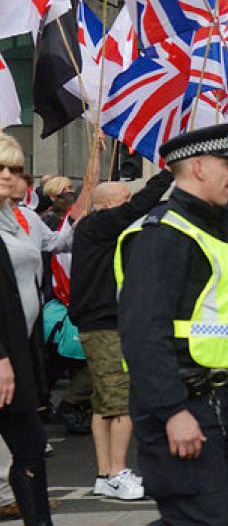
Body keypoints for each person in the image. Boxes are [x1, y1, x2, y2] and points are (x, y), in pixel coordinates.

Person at [115, 125, 228, 524]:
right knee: (203, 519)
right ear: (197, 167)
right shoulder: (162, 235)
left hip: (218, 401)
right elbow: (143, 334)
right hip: (182, 402)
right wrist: (172, 411)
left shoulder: (214, 231)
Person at [69, 169, 174, 502]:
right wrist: (165, 177)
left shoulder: (97, 230)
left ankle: (105, 474)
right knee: (122, 401)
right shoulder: (98, 224)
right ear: (109, 204)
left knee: (102, 404)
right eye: (125, 199)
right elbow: (136, 209)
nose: (132, 205)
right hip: (103, 323)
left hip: (100, 321)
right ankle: (117, 472)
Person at [0, 135, 54, 526]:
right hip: (5, 356)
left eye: (15, 169)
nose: (8, 176)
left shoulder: (16, 218)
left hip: (20, 348)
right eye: (0, 167)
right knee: (30, 445)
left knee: (31, 447)